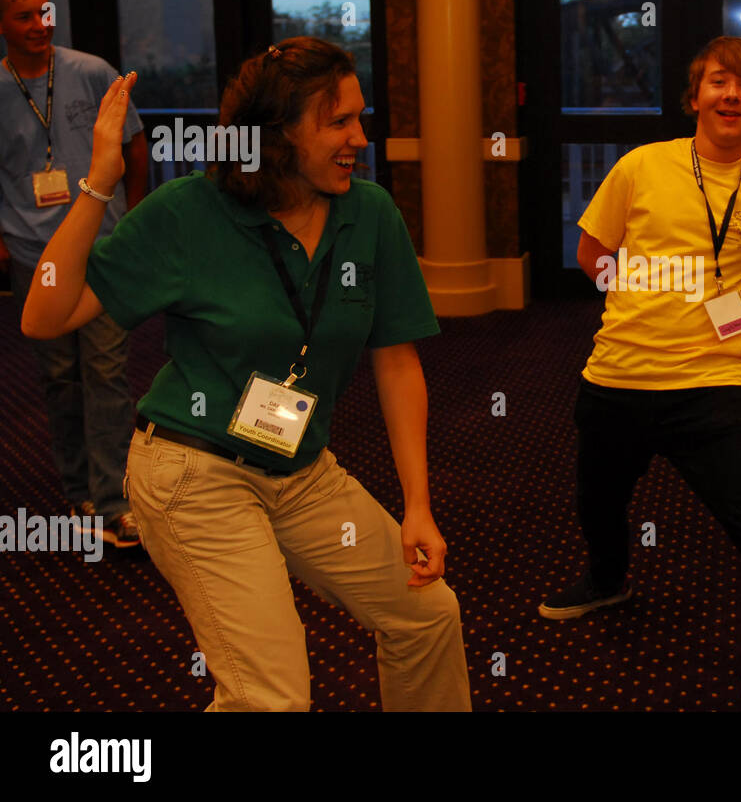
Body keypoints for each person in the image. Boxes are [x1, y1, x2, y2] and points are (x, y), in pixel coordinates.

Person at [22, 38, 470, 712]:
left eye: (360, 117)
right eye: (340, 122)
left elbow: (398, 361)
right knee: (271, 698)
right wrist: (97, 185)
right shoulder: (189, 214)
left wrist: (417, 507)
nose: (361, 137)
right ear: (278, 136)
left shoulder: (370, 213)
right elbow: (45, 313)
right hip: (193, 472)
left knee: (428, 614)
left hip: (300, 468)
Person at [539, 36, 741, 711]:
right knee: (596, 503)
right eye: (719, 82)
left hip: (710, 389)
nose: (731, 95)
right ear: (695, 97)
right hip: (617, 376)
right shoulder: (641, 167)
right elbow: (591, 250)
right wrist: (641, 297)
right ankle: (609, 579)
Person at [0, 0, 148, 546]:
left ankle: (113, 501)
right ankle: (78, 488)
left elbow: (134, 145)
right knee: (59, 379)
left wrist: (132, 214)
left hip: (101, 248)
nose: (39, 25)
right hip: (33, 254)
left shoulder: (90, 72)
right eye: (24, 16)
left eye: (45, 12)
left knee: (106, 372)